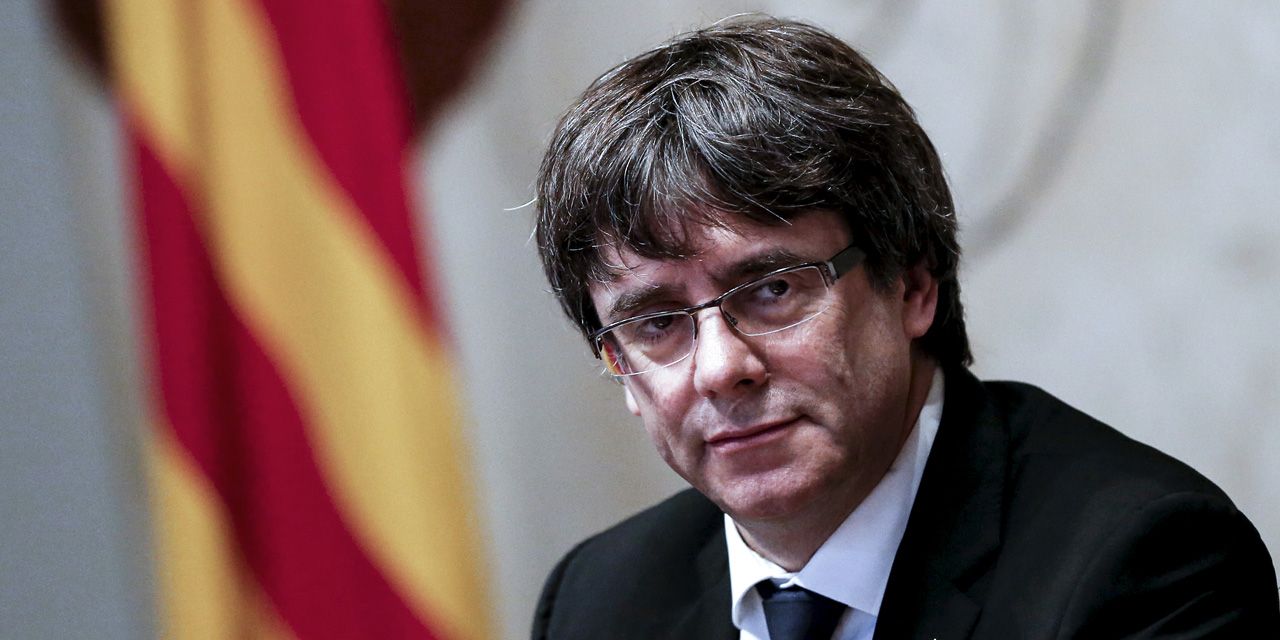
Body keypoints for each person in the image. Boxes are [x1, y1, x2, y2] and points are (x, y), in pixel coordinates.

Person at [528, 16, 1279, 639]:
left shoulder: (1143, 566)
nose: (721, 369)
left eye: (773, 289)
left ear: (912, 284)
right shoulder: (597, 602)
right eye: (657, 322)